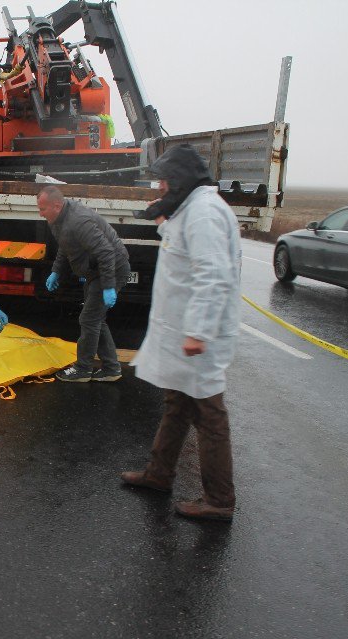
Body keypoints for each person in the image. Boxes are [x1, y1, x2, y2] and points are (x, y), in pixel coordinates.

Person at [120, 144, 241, 522]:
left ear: (182, 180)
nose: (159, 186)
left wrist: (199, 333)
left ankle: (219, 500)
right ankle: (159, 474)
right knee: (177, 404)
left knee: (209, 416)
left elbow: (213, 275)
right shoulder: (191, 208)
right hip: (182, 334)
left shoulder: (204, 213)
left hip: (197, 339)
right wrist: (163, 217)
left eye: (165, 180)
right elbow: (181, 245)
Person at [37, 185, 131, 382]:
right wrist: (55, 271)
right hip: (95, 271)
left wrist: (108, 287)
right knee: (95, 318)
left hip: (112, 268)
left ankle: (83, 369)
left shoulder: (78, 221)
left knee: (88, 319)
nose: (40, 213)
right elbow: (66, 246)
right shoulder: (58, 219)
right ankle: (111, 369)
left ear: (56, 205)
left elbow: (106, 252)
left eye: (42, 208)